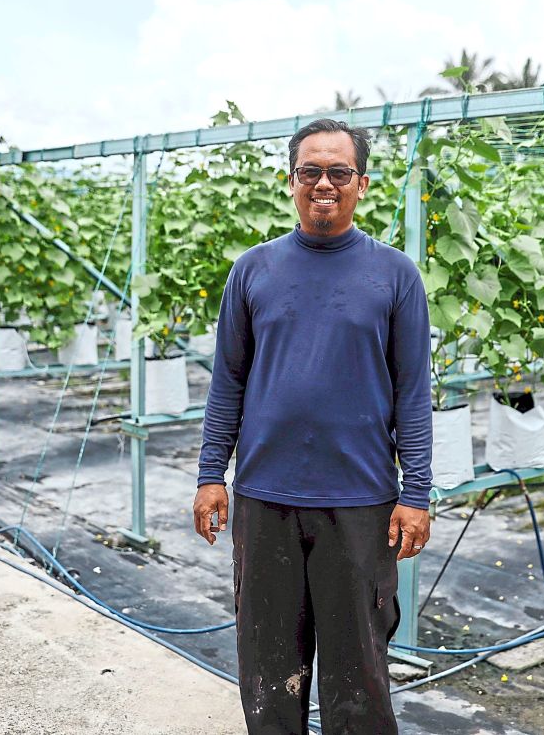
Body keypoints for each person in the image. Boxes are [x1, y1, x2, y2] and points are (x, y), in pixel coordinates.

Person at [193, 118, 433, 734]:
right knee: (270, 675)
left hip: (361, 503)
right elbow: (229, 380)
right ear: (291, 181)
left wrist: (416, 494)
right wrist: (210, 475)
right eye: (310, 172)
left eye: (338, 172)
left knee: (359, 677)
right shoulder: (253, 270)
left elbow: (412, 394)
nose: (323, 183)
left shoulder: (396, 275)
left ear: (362, 183)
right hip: (265, 499)